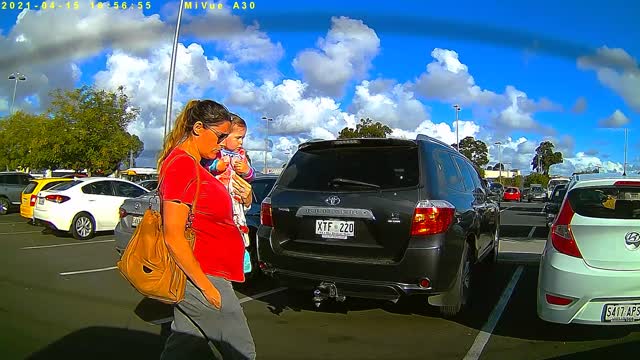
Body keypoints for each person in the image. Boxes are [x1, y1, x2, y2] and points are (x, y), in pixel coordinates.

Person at [157, 99, 256, 360]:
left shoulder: (196, 164)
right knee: (241, 351)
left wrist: (245, 197)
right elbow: (173, 234)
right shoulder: (181, 164)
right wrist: (206, 288)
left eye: (226, 136)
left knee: (185, 346)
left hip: (210, 272)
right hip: (203, 273)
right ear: (199, 128)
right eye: (220, 135)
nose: (223, 142)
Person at [203, 114, 255, 257]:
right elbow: (204, 170)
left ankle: (241, 254)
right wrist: (215, 166)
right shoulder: (214, 153)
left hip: (236, 202)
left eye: (243, 138)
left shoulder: (242, 156)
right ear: (224, 136)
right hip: (216, 202)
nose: (241, 142)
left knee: (238, 227)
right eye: (238, 138)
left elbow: (251, 177)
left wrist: (246, 170)